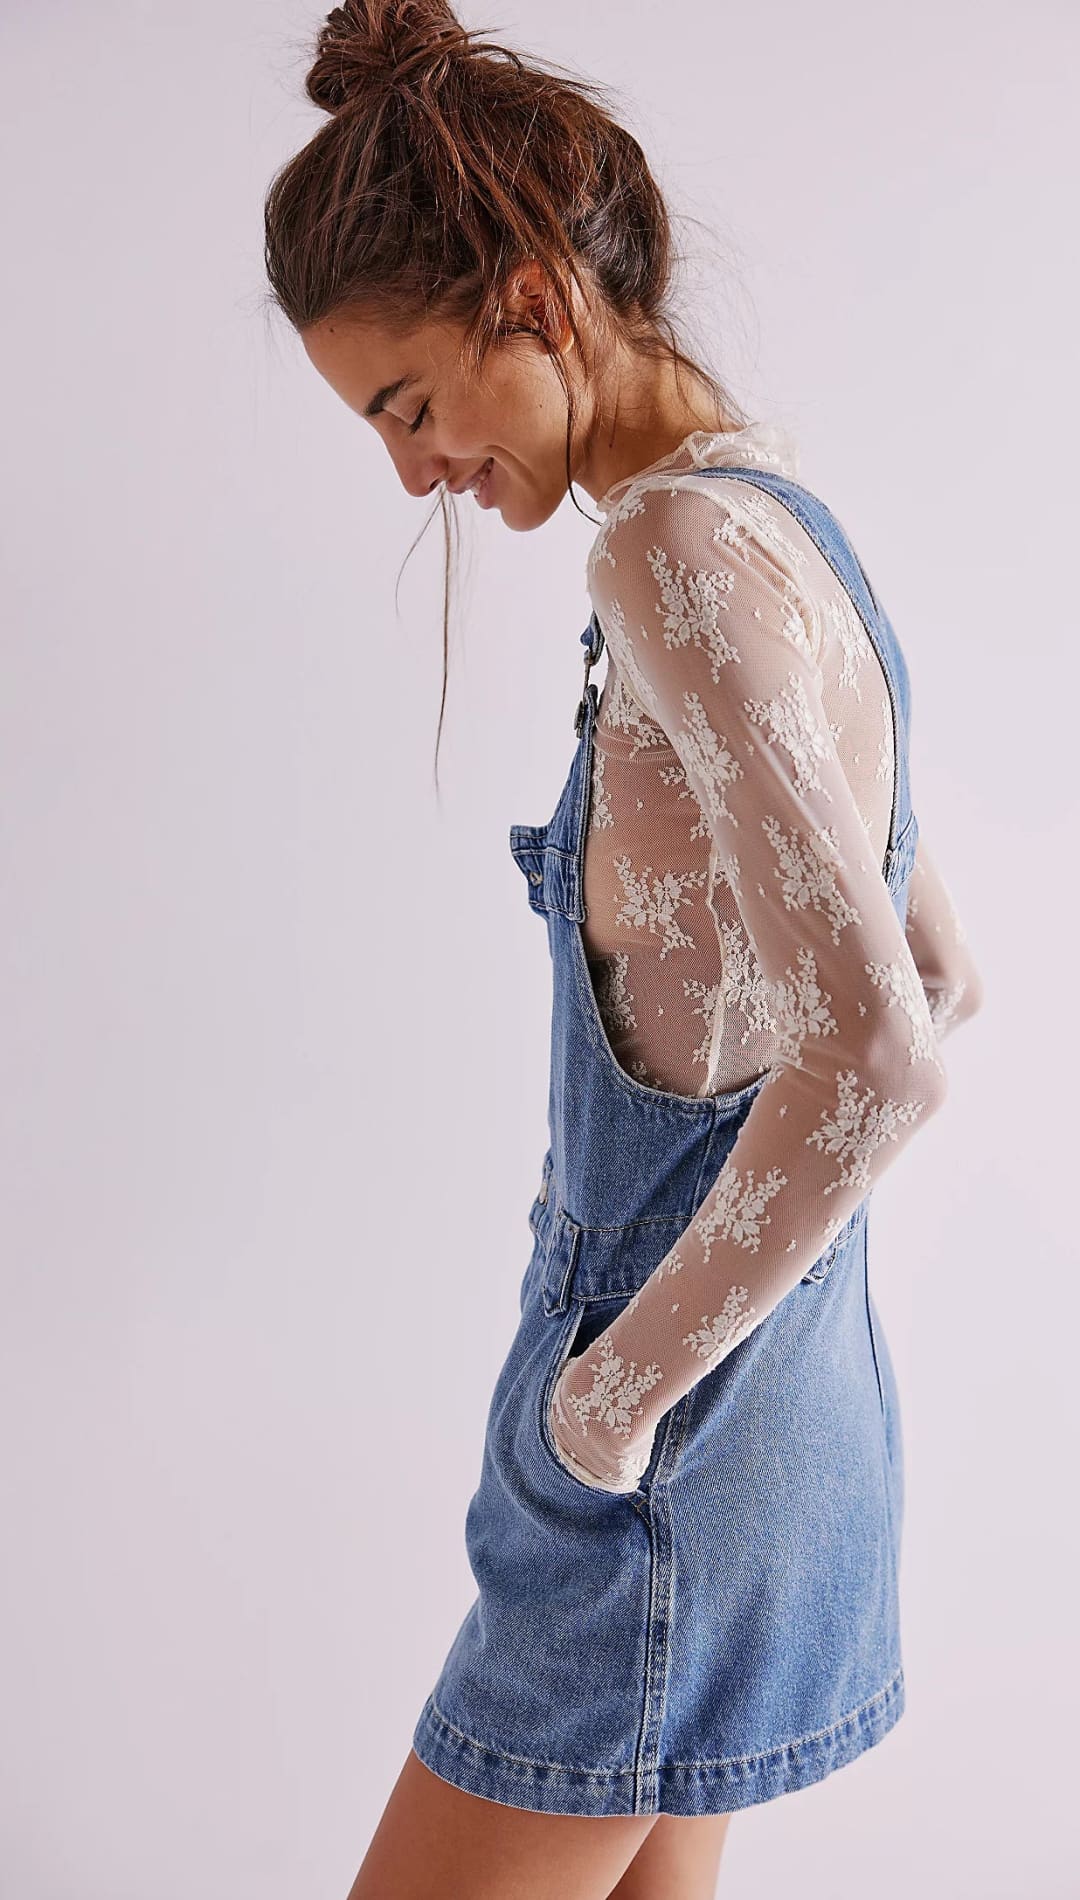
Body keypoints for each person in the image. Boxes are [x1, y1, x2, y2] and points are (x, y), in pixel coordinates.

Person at [263, 3, 984, 1893]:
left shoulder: (665, 556)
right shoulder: (786, 523)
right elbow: (939, 966)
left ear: (527, 299)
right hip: (789, 1399)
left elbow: (891, 1054)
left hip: (668, 1428)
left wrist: (603, 1403)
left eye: (409, 405)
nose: (413, 473)